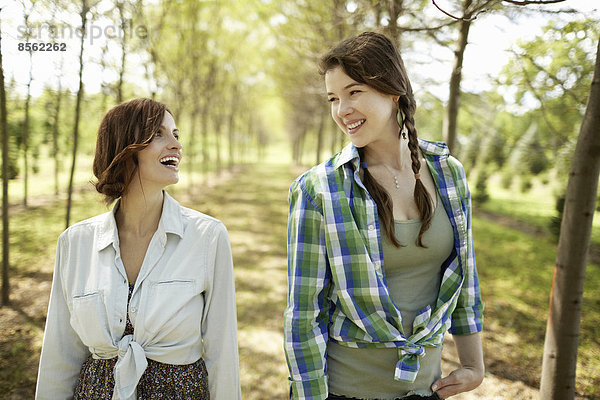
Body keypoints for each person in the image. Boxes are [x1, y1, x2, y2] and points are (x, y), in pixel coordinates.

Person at [284, 32, 484, 400]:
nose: (341, 110)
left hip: (427, 389)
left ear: (393, 91)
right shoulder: (319, 189)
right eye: (333, 98)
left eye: (354, 92)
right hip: (347, 390)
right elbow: (303, 314)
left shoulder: (448, 172)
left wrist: (474, 365)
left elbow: (465, 276)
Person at [36, 98, 241, 400]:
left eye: (175, 133)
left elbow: (223, 353)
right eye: (158, 134)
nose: (176, 145)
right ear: (125, 146)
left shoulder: (207, 237)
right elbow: (60, 355)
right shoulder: (75, 242)